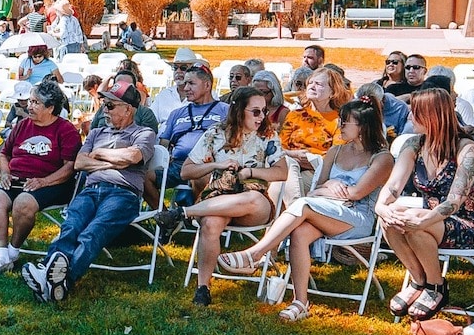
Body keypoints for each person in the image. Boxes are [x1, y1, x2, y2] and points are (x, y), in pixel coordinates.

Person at [218, 99, 393, 319]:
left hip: (357, 218)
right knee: (300, 231)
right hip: (325, 209)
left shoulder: (382, 158)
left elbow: (357, 194)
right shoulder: (336, 152)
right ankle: (300, 302)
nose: (340, 126)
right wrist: (329, 186)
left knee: (302, 205)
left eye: (346, 122)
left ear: (363, 127)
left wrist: (325, 190)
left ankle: (255, 254)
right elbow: (316, 189)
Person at [20, 83, 158, 304]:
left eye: (110, 105)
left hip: (123, 194)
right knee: (71, 226)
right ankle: (54, 281)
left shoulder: (143, 133)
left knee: (92, 233)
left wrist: (100, 154)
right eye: (104, 104)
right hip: (91, 191)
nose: (104, 109)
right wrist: (111, 163)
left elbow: (132, 157)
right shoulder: (96, 132)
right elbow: (80, 163)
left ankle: (58, 278)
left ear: (128, 109)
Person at [150, 87, 289, 306]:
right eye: (255, 112)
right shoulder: (215, 134)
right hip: (219, 196)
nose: (262, 117)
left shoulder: (267, 135)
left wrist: (251, 172)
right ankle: (203, 288)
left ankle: (184, 212)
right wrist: (216, 164)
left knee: (251, 199)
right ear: (239, 111)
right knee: (211, 224)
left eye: (263, 111)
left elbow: (282, 173)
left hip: (254, 203)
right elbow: (187, 171)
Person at [374, 88, 474, 321]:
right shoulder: (414, 145)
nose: (410, 117)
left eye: (415, 113)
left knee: (415, 224)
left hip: (466, 224)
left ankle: (436, 287)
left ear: (433, 116)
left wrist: (422, 218)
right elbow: (393, 186)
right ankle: (418, 280)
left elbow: (455, 202)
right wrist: (382, 207)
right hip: (428, 219)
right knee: (391, 217)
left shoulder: (467, 149)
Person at [0, 80, 84, 276]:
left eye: (36, 102)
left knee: (23, 202)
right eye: (30, 101)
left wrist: (44, 181)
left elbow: (70, 167)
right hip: (17, 178)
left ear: (50, 108)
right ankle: (1, 253)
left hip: (53, 183)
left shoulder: (66, 130)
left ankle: (13, 251)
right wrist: (5, 174)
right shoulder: (22, 126)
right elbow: (4, 153)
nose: (29, 106)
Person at [279, 66, 353, 193]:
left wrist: (311, 159)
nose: (312, 87)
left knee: (289, 185)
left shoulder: (338, 120)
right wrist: (293, 155)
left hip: (318, 171)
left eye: (318, 84)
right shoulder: (295, 115)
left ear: (332, 92)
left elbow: (337, 155)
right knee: (285, 178)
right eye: (310, 83)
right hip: (289, 164)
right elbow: (280, 147)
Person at [158, 66, 228, 194]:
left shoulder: (225, 110)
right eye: (185, 84)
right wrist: (165, 157)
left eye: (191, 83)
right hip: (177, 165)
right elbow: (164, 142)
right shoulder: (177, 113)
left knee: (200, 178)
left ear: (207, 85)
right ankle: (166, 213)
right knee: (145, 178)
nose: (185, 88)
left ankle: (196, 212)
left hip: (208, 165)